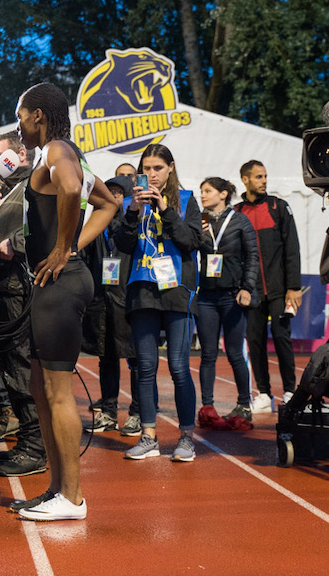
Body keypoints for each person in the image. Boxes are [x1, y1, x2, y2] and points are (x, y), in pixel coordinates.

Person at [0, 83, 116, 522]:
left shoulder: (55, 151)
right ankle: (55, 489)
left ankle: (72, 498)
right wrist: (73, 247)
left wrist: (65, 247)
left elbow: (71, 191)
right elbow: (108, 203)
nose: (18, 125)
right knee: (39, 389)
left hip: (61, 282)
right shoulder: (64, 151)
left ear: (39, 117)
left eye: (21, 116)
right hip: (56, 280)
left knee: (57, 393)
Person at [115, 143, 203, 463]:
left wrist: (166, 210)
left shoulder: (186, 200)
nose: (151, 175)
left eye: (157, 168)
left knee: (179, 367)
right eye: (146, 169)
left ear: (170, 168)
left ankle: (186, 437)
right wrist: (132, 213)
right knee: (146, 367)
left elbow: (192, 241)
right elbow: (123, 245)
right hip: (142, 289)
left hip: (177, 289)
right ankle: (149, 435)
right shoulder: (131, 203)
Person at [0, 132, 48, 478]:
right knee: (5, 366)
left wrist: (14, 242)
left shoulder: (35, 183)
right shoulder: (5, 190)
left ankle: (35, 446)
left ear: (20, 155)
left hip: (17, 289)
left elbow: (49, 222)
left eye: (3, 154)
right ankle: (26, 440)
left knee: (19, 368)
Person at [234, 160, 302, 412]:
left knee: (282, 338)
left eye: (265, 176)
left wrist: (293, 287)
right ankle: (263, 394)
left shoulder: (278, 207)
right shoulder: (237, 212)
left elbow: (292, 249)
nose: (264, 180)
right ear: (245, 180)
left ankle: (290, 391)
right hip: (250, 291)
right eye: (258, 176)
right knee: (255, 340)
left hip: (279, 288)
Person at [80, 173, 140, 435]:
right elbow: (82, 257)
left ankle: (138, 413)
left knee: (136, 360)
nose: (113, 196)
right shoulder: (95, 225)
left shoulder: (134, 224)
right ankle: (108, 412)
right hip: (101, 300)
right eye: (109, 191)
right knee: (106, 358)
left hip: (129, 299)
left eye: (118, 193)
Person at [196, 177, 259, 425]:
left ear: (223, 194)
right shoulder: (199, 221)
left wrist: (247, 288)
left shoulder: (240, 221)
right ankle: (207, 407)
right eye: (202, 191)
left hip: (233, 295)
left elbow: (253, 256)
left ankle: (244, 404)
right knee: (208, 354)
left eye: (208, 191)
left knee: (234, 353)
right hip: (206, 296)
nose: (203, 195)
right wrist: (195, 237)